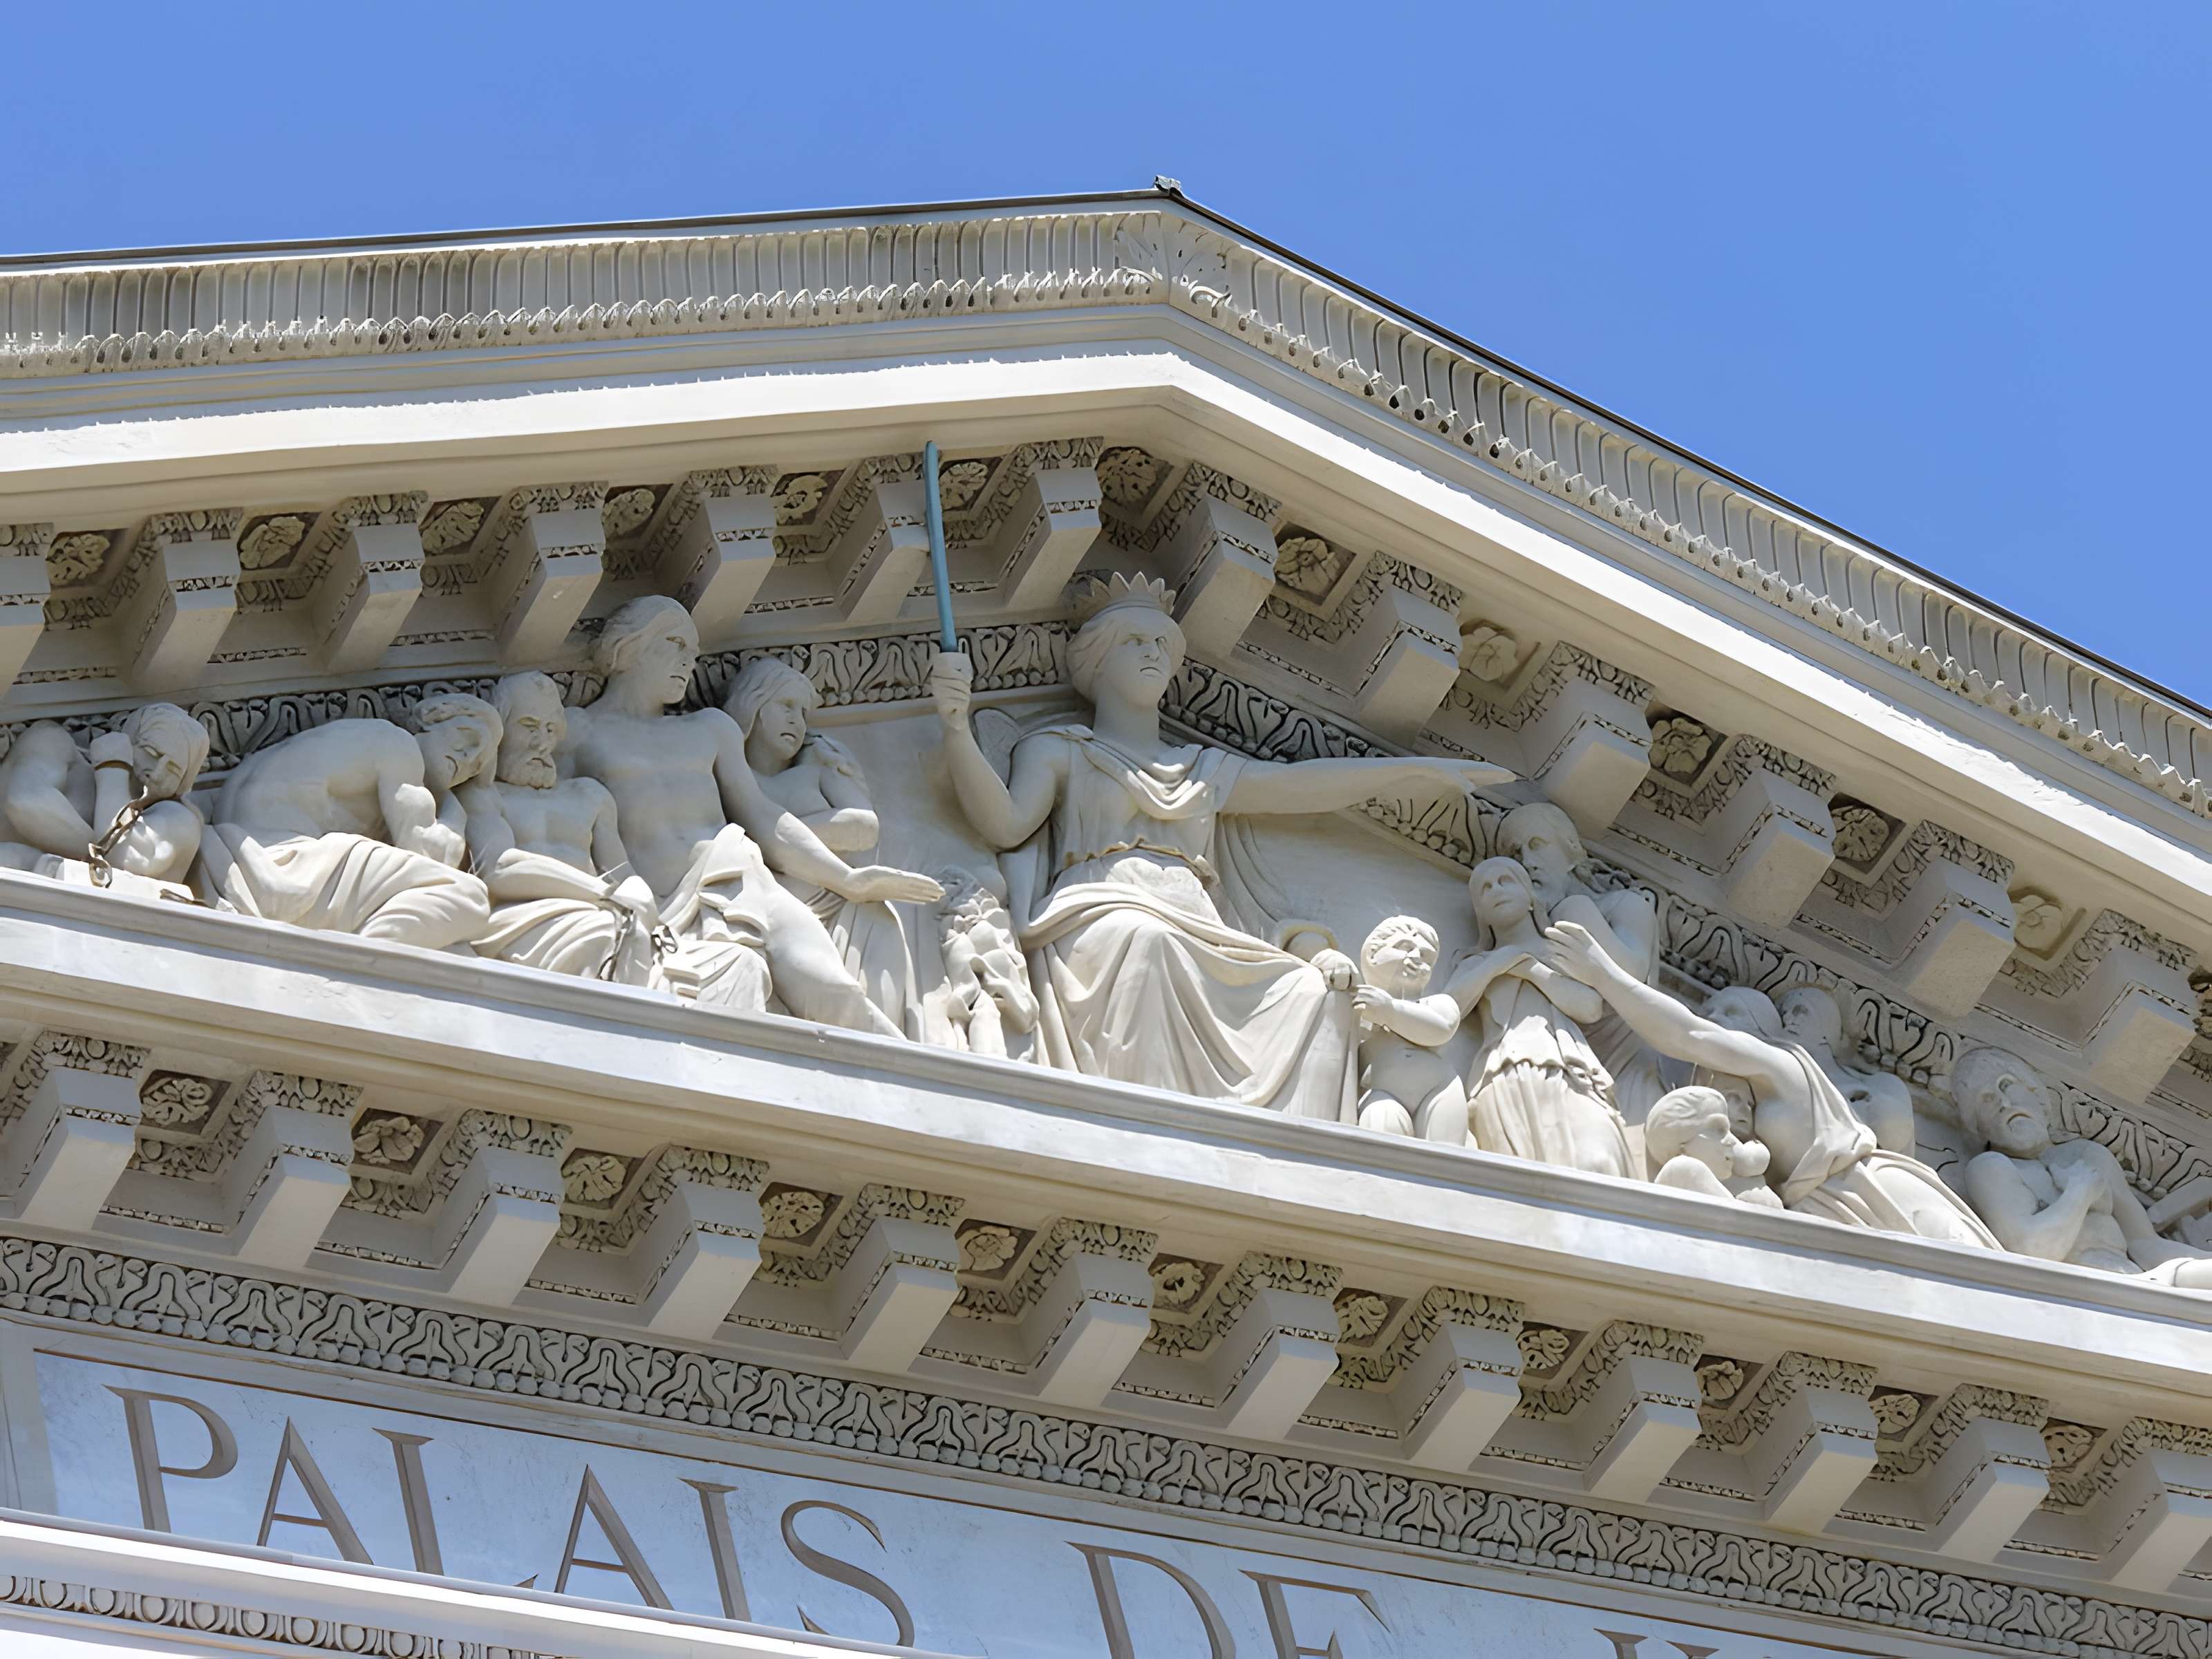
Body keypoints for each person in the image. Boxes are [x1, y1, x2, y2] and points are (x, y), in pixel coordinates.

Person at [930, 573, 1510, 1118]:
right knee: (1146, 940)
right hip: (1108, 911)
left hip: (1201, 921)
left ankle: (1296, 1160)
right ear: (1097, 660)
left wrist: (1410, 774)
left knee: (1311, 989)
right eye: (1136, 641)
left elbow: (1301, 788)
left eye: (1164, 643)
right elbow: (1005, 825)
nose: (1155, 653)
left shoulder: (1200, 769)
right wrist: (956, 730)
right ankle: (1147, 1124)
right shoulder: (1059, 750)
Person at [562, 597, 938, 1032]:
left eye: (694, 650)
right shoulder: (577, 732)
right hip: (661, 906)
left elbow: (763, 818)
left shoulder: (708, 729)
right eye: (676, 643)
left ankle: (912, 1093)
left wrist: (847, 880)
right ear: (627, 647)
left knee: (837, 991)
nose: (690, 659)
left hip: (741, 878)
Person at [1542, 919, 1997, 1248]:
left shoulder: (1782, 1068)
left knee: (1979, 1291)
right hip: (1827, 1214)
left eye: (1733, 1016)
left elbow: (1688, 1034)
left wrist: (1603, 972)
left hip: (1877, 1193)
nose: (1716, 1023)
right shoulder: (1740, 1123)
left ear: (1764, 1031)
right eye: (1714, 1013)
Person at [198, 704, 494, 950]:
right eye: (467, 738)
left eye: (477, 765)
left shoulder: (341, 740)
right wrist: (457, 811)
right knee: (466, 895)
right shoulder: (398, 744)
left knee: (452, 942)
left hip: (235, 860)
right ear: (430, 719)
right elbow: (432, 854)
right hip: (290, 870)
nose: (468, 758)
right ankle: (366, 967)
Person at [725, 656, 918, 1033]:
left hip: (853, 912)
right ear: (753, 705)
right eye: (785, 706)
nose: (798, 720)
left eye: (803, 711)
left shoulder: (814, 773)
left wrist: (768, 837)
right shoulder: (729, 779)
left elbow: (863, 826)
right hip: (777, 921)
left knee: (881, 1026)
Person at [446, 673, 658, 982]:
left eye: (550, 729)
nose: (541, 743)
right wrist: (601, 894)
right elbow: (499, 868)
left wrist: (638, 897)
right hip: (521, 921)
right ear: (499, 731)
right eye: (529, 727)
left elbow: (623, 874)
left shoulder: (590, 795)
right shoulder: (482, 795)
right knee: (601, 934)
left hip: (598, 917)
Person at [1494, 803, 1678, 1155]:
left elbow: (1631, 975)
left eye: (1537, 844)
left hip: (1630, 1079)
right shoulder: (1522, 936)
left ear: (1572, 851)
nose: (1526, 862)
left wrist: (1571, 913)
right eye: (1514, 854)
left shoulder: (1622, 904)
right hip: (1566, 1083)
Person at [1953, 1046, 2212, 1286]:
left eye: (2007, 1085)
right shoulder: (1990, 1168)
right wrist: (2079, 1193)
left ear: (2038, 1096)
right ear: (1978, 1128)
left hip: (2140, 1283)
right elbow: (2031, 1249)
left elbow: (2143, 1243)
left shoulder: (2088, 1155)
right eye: (1986, 1100)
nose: (2005, 1103)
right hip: (2076, 1292)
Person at [1453, 857, 1637, 1179]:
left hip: (1575, 1072)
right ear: (1481, 914)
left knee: (1603, 1163)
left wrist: (1529, 967)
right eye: (1485, 888)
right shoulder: (1476, 963)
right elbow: (1452, 1007)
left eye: (1505, 880)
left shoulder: (1561, 950)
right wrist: (1499, 962)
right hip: (1508, 1072)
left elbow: (1590, 1007)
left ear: (1530, 897)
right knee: (1529, 1187)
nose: (1496, 889)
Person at [0, 702, 208, 885]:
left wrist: (113, 771)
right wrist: (99, 855)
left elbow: (130, 858)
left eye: (173, 771)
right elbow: (24, 802)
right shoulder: (53, 742)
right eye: (152, 753)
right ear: (126, 741)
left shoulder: (174, 820)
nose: (157, 772)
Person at [1348, 916, 1465, 1140]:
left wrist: (1389, 1011)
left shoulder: (1437, 1004)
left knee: (1446, 1160)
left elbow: (1443, 1028)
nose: (1417, 959)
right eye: (1406, 947)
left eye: (1426, 957)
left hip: (1440, 1090)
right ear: (1373, 954)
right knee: (1380, 1128)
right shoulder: (1355, 1013)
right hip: (1381, 1094)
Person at [1778, 983, 1915, 1154]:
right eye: (1784, 1013)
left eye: (1799, 1011)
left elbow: (1896, 1140)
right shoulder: (1786, 1082)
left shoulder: (1883, 1083)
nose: (1788, 1019)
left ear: (1826, 1026)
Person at [1644, 1085, 1781, 1208]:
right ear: (1682, 1144)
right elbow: (1736, 1222)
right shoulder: (1682, 1169)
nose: (1733, 1141)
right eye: (1719, 1130)